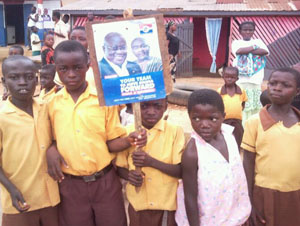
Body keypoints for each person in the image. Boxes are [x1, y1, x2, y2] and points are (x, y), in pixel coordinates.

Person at [46, 40, 147, 226]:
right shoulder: (50, 103)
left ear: (88, 65)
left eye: (77, 68)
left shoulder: (103, 100)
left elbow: (111, 142)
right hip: (71, 185)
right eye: (63, 69)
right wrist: (51, 148)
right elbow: (50, 139)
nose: (71, 74)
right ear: (56, 68)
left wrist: (129, 140)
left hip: (105, 182)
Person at [176, 89, 251, 226]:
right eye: (196, 118)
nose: (204, 125)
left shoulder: (230, 136)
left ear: (223, 116)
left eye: (213, 119)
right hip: (206, 220)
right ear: (189, 117)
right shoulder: (193, 152)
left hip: (234, 215)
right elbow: (190, 197)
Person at [0, 55, 59, 226]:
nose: (22, 82)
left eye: (29, 77)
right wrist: (11, 189)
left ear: (37, 79)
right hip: (19, 198)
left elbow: (57, 137)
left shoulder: (46, 107)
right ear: (4, 81)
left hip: (51, 198)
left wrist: (53, 147)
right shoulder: (2, 117)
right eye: (14, 77)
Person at [242, 67, 300, 226]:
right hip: (264, 193)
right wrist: (248, 200)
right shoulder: (254, 122)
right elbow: (247, 162)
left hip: (296, 193)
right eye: (272, 83)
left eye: (285, 85)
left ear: (297, 91)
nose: (277, 88)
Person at [116, 98, 185, 226]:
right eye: (144, 106)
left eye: (157, 106)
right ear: (135, 106)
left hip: (166, 204)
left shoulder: (175, 132)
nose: (151, 112)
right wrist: (130, 176)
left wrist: (151, 162)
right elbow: (120, 168)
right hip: (138, 203)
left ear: (165, 107)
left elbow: (180, 170)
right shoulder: (127, 133)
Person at [232, 21, 269, 123]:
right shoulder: (236, 42)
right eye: (245, 30)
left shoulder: (259, 41)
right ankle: (241, 124)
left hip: (255, 78)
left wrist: (246, 50)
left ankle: (252, 124)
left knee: (254, 104)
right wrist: (254, 47)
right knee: (242, 102)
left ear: (254, 31)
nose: (247, 32)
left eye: (250, 30)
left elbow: (265, 52)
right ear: (240, 31)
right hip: (241, 79)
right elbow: (238, 51)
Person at [217, 66, 248, 147]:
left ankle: (237, 150)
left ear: (237, 79)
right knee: (224, 136)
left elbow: (243, 102)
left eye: (232, 77)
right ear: (223, 77)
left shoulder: (241, 91)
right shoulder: (220, 91)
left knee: (238, 135)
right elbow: (217, 105)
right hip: (224, 119)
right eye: (227, 77)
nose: (229, 79)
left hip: (237, 119)